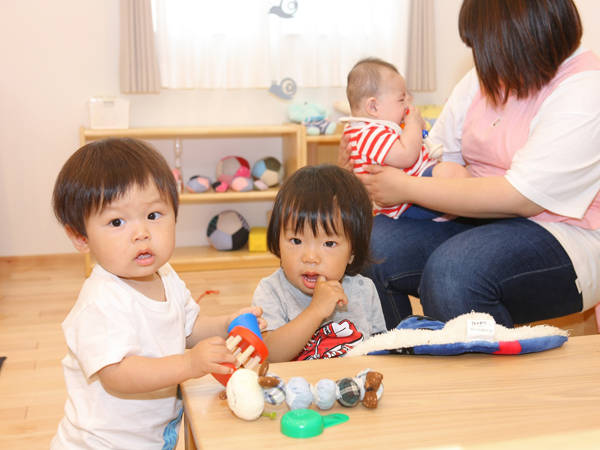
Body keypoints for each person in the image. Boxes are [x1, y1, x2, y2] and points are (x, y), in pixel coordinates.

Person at [339, 0, 600, 331]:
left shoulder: (586, 88)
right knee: (366, 245)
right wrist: (364, 165)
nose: (479, 56)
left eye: (482, 44)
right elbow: (436, 153)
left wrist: (405, 186)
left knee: (452, 274)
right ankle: (400, 355)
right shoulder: (484, 77)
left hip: (563, 231)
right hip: (472, 214)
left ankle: (485, 382)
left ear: (517, 37)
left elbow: (520, 196)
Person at [50, 137, 265, 449]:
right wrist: (190, 365)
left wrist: (227, 324)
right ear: (81, 237)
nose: (142, 233)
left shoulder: (165, 275)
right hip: (101, 444)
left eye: (153, 215)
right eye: (117, 221)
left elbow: (187, 326)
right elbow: (117, 373)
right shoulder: (102, 301)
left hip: (151, 437)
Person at [252, 163, 386, 362]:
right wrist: (315, 311)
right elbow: (269, 355)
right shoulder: (272, 291)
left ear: (352, 251)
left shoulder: (364, 290)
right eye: (296, 241)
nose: (310, 258)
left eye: (329, 243)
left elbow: (380, 349)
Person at [341, 57, 469, 220]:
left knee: (451, 174)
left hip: (409, 190)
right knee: (454, 173)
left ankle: (449, 210)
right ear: (373, 107)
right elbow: (406, 156)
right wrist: (413, 125)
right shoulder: (369, 134)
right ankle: (448, 210)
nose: (406, 106)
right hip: (404, 202)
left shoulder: (367, 128)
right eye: (401, 100)